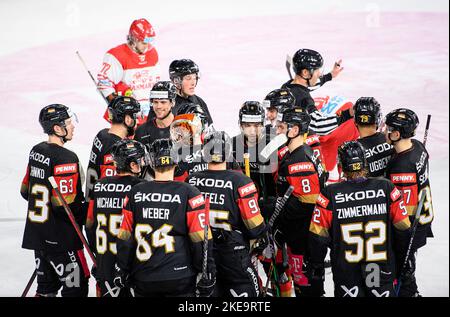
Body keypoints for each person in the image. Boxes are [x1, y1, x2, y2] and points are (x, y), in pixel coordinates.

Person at [308, 141, 411, 297]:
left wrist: (316, 270)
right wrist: (403, 261)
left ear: (341, 166)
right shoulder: (387, 188)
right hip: (380, 269)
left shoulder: (329, 194)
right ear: (364, 163)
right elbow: (403, 229)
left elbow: (317, 238)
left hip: (346, 273)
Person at [114, 139, 215, 297]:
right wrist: (207, 270)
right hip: (180, 275)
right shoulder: (190, 192)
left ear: (151, 163)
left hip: (143, 275)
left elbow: (125, 236)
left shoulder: (135, 192)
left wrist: (122, 268)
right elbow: (200, 238)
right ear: (176, 161)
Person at [20, 104, 89, 297]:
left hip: (38, 235)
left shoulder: (36, 151)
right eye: (68, 123)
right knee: (76, 288)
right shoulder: (66, 158)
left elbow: (25, 191)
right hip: (62, 240)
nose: (73, 126)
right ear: (58, 129)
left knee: (46, 289)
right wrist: (92, 210)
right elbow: (64, 206)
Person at [187, 131, 267, 297]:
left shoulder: (191, 181)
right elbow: (255, 227)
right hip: (233, 255)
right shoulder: (241, 181)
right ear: (229, 152)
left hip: (201, 256)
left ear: (204, 152)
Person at [275, 107, 327, 297]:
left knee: (307, 289)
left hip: (304, 237)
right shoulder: (298, 152)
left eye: (281, 127)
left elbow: (307, 204)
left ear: (295, 130)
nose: (277, 130)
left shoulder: (299, 161)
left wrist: (275, 209)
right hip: (300, 234)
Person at [85, 139, 147, 297]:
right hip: (130, 264)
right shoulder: (140, 188)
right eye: (141, 159)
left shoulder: (98, 185)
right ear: (133, 165)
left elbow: (90, 223)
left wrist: (98, 253)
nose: (144, 162)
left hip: (105, 261)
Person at [383, 108, 434, 297]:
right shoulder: (418, 146)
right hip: (422, 218)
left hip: (410, 227)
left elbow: (404, 210)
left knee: (404, 272)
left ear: (397, 134)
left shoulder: (402, 167)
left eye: (388, 129)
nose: (385, 132)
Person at [97, 18, 160, 123]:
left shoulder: (152, 53)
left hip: (149, 115)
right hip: (128, 116)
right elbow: (104, 82)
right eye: (144, 43)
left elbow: (156, 83)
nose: (147, 46)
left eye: (149, 42)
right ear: (134, 39)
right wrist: (117, 105)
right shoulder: (116, 55)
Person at [282, 48, 353, 135]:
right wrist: (348, 113)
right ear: (305, 72)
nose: (319, 74)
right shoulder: (304, 99)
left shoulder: (288, 86)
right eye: (317, 70)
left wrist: (330, 75)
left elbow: (311, 85)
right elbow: (317, 125)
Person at [85, 96, 141, 201]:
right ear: (128, 119)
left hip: (92, 200)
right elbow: (110, 185)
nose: (137, 121)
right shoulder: (116, 147)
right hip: (103, 208)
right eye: (135, 117)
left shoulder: (102, 134)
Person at [232, 101, 277, 218]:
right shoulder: (231, 145)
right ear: (241, 125)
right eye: (248, 125)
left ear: (263, 124)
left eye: (256, 125)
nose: (252, 131)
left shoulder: (272, 145)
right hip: (239, 206)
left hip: (266, 208)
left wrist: (272, 201)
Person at [353, 97, 394, 177]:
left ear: (356, 121)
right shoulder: (391, 140)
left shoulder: (353, 150)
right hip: (393, 188)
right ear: (377, 119)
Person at [169, 59, 214, 128]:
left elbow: (210, 130)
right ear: (176, 81)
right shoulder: (166, 104)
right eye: (188, 78)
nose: (193, 83)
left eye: (195, 78)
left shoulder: (199, 101)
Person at [135, 81, 177, 148]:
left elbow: (194, 156)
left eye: (163, 102)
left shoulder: (184, 128)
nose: (158, 106)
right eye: (155, 102)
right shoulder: (141, 131)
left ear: (172, 103)